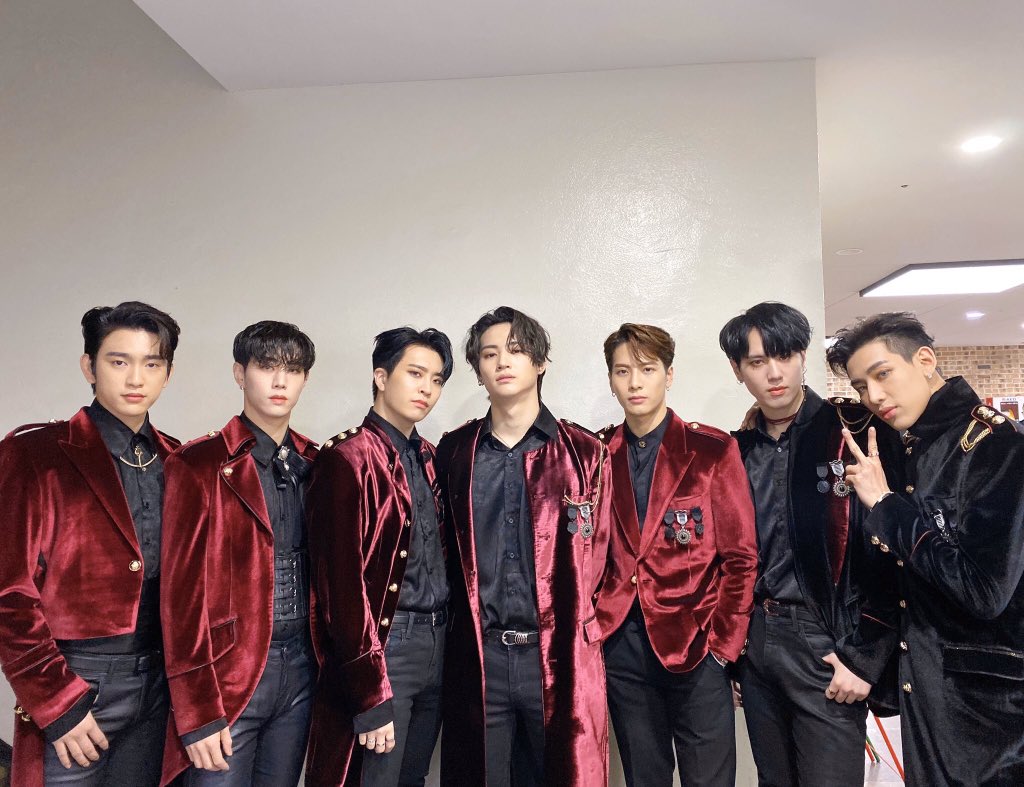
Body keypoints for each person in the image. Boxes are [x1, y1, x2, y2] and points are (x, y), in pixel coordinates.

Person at [827, 311, 1024, 786]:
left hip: (988, 715)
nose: (874, 396)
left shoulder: (997, 446)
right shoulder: (906, 447)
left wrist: (886, 507)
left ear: (925, 361)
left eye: (883, 374)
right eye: (861, 386)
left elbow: (984, 591)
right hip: (925, 693)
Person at [719, 302, 903, 786]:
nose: (774, 373)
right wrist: (734, 653)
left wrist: (864, 657)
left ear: (803, 356)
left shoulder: (855, 432)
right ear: (738, 371)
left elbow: (892, 555)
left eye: (784, 356)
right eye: (757, 362)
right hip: (757, 641)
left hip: (827, 642)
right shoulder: (736, 450)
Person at [0, 301, 181, 785]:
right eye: (119, 361)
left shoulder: (179, 460)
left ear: (167, 374)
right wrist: (57, 702)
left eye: (152, 364)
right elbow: (9, 593)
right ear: (89, 367)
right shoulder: (36, 453)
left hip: (161, 685)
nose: (135, 378)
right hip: (76, 679)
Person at [435, 306, 610, 786]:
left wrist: (586, 635)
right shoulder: (455, 452)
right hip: (479, 657)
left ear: (540, 362)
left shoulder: (585, 452)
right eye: (489, 354)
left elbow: (605, 557)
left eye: (515, 350)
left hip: (557, 658)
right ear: (478, 370)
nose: (503, 362)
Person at [595, 323, 757, 787]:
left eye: (647, 369)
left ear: (668, 375)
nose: (635, 382)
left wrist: (723, 647)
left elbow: (741, 557)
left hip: (697, 644)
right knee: (644, 777)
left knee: (709, 779)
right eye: (622, 371)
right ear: (611, 380)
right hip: (623, 647)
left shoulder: (712, 450)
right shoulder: (597, 454)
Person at [160, 321, 319, 785]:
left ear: (305, 379)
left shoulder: (317, 463)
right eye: (266, 367)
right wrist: (196, 709)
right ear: (239, 373)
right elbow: (180, 600)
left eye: (293, 370)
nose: (279, 381)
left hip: (302, 669)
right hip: (229, 674)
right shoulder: (198, 463)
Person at [305, 327, 454, 787]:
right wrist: (369, 691)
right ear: (381, 377)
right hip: (386, 649)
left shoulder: (431, 457)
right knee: (373, 778)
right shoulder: (347, 458)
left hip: (438, 643)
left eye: (436, 379)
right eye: (415, 374)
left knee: (413, 777)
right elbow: (340, 590)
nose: (426, 389)